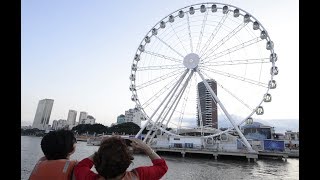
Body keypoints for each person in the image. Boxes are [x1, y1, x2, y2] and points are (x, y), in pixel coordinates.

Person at [74, 136, 168, 180]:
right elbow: (162, 166)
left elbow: (81, 166)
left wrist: (104, 151)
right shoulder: (139, 176)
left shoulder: (88, 178)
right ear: (128, 161)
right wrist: (146, 148)